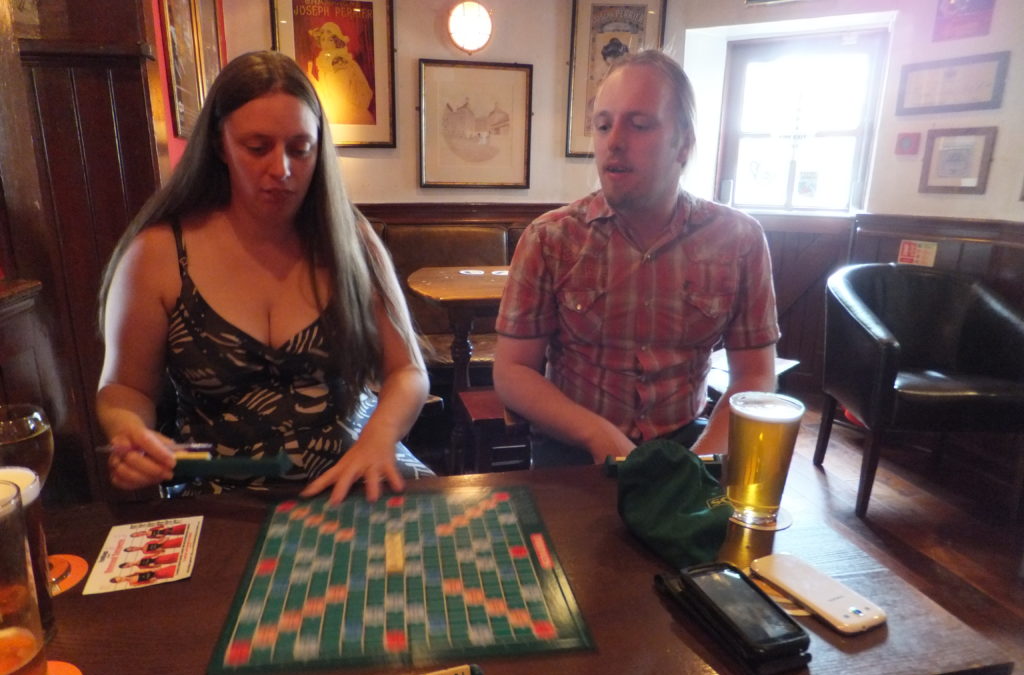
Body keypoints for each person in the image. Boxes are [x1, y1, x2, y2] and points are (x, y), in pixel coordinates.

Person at [97, 51, 431, 503]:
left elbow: (408, 371)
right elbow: (125, 388)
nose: (282, 170)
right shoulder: (156, 254)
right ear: (219, 144)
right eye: (257, 148)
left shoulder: (351, 239)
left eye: (300, 148)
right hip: (220, 490)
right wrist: (131, 433)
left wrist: (380, 437)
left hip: (353, 476)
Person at [494, 50, 779, 467]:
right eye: (603, 125)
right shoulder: (550, 238)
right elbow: (513, 372)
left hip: (690, 445)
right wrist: (597, 434)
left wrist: (699, 465)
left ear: (683, 144)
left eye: (640, 124)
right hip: (573, 451)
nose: (614, 141)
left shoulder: (740, 239)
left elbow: (755, 374)